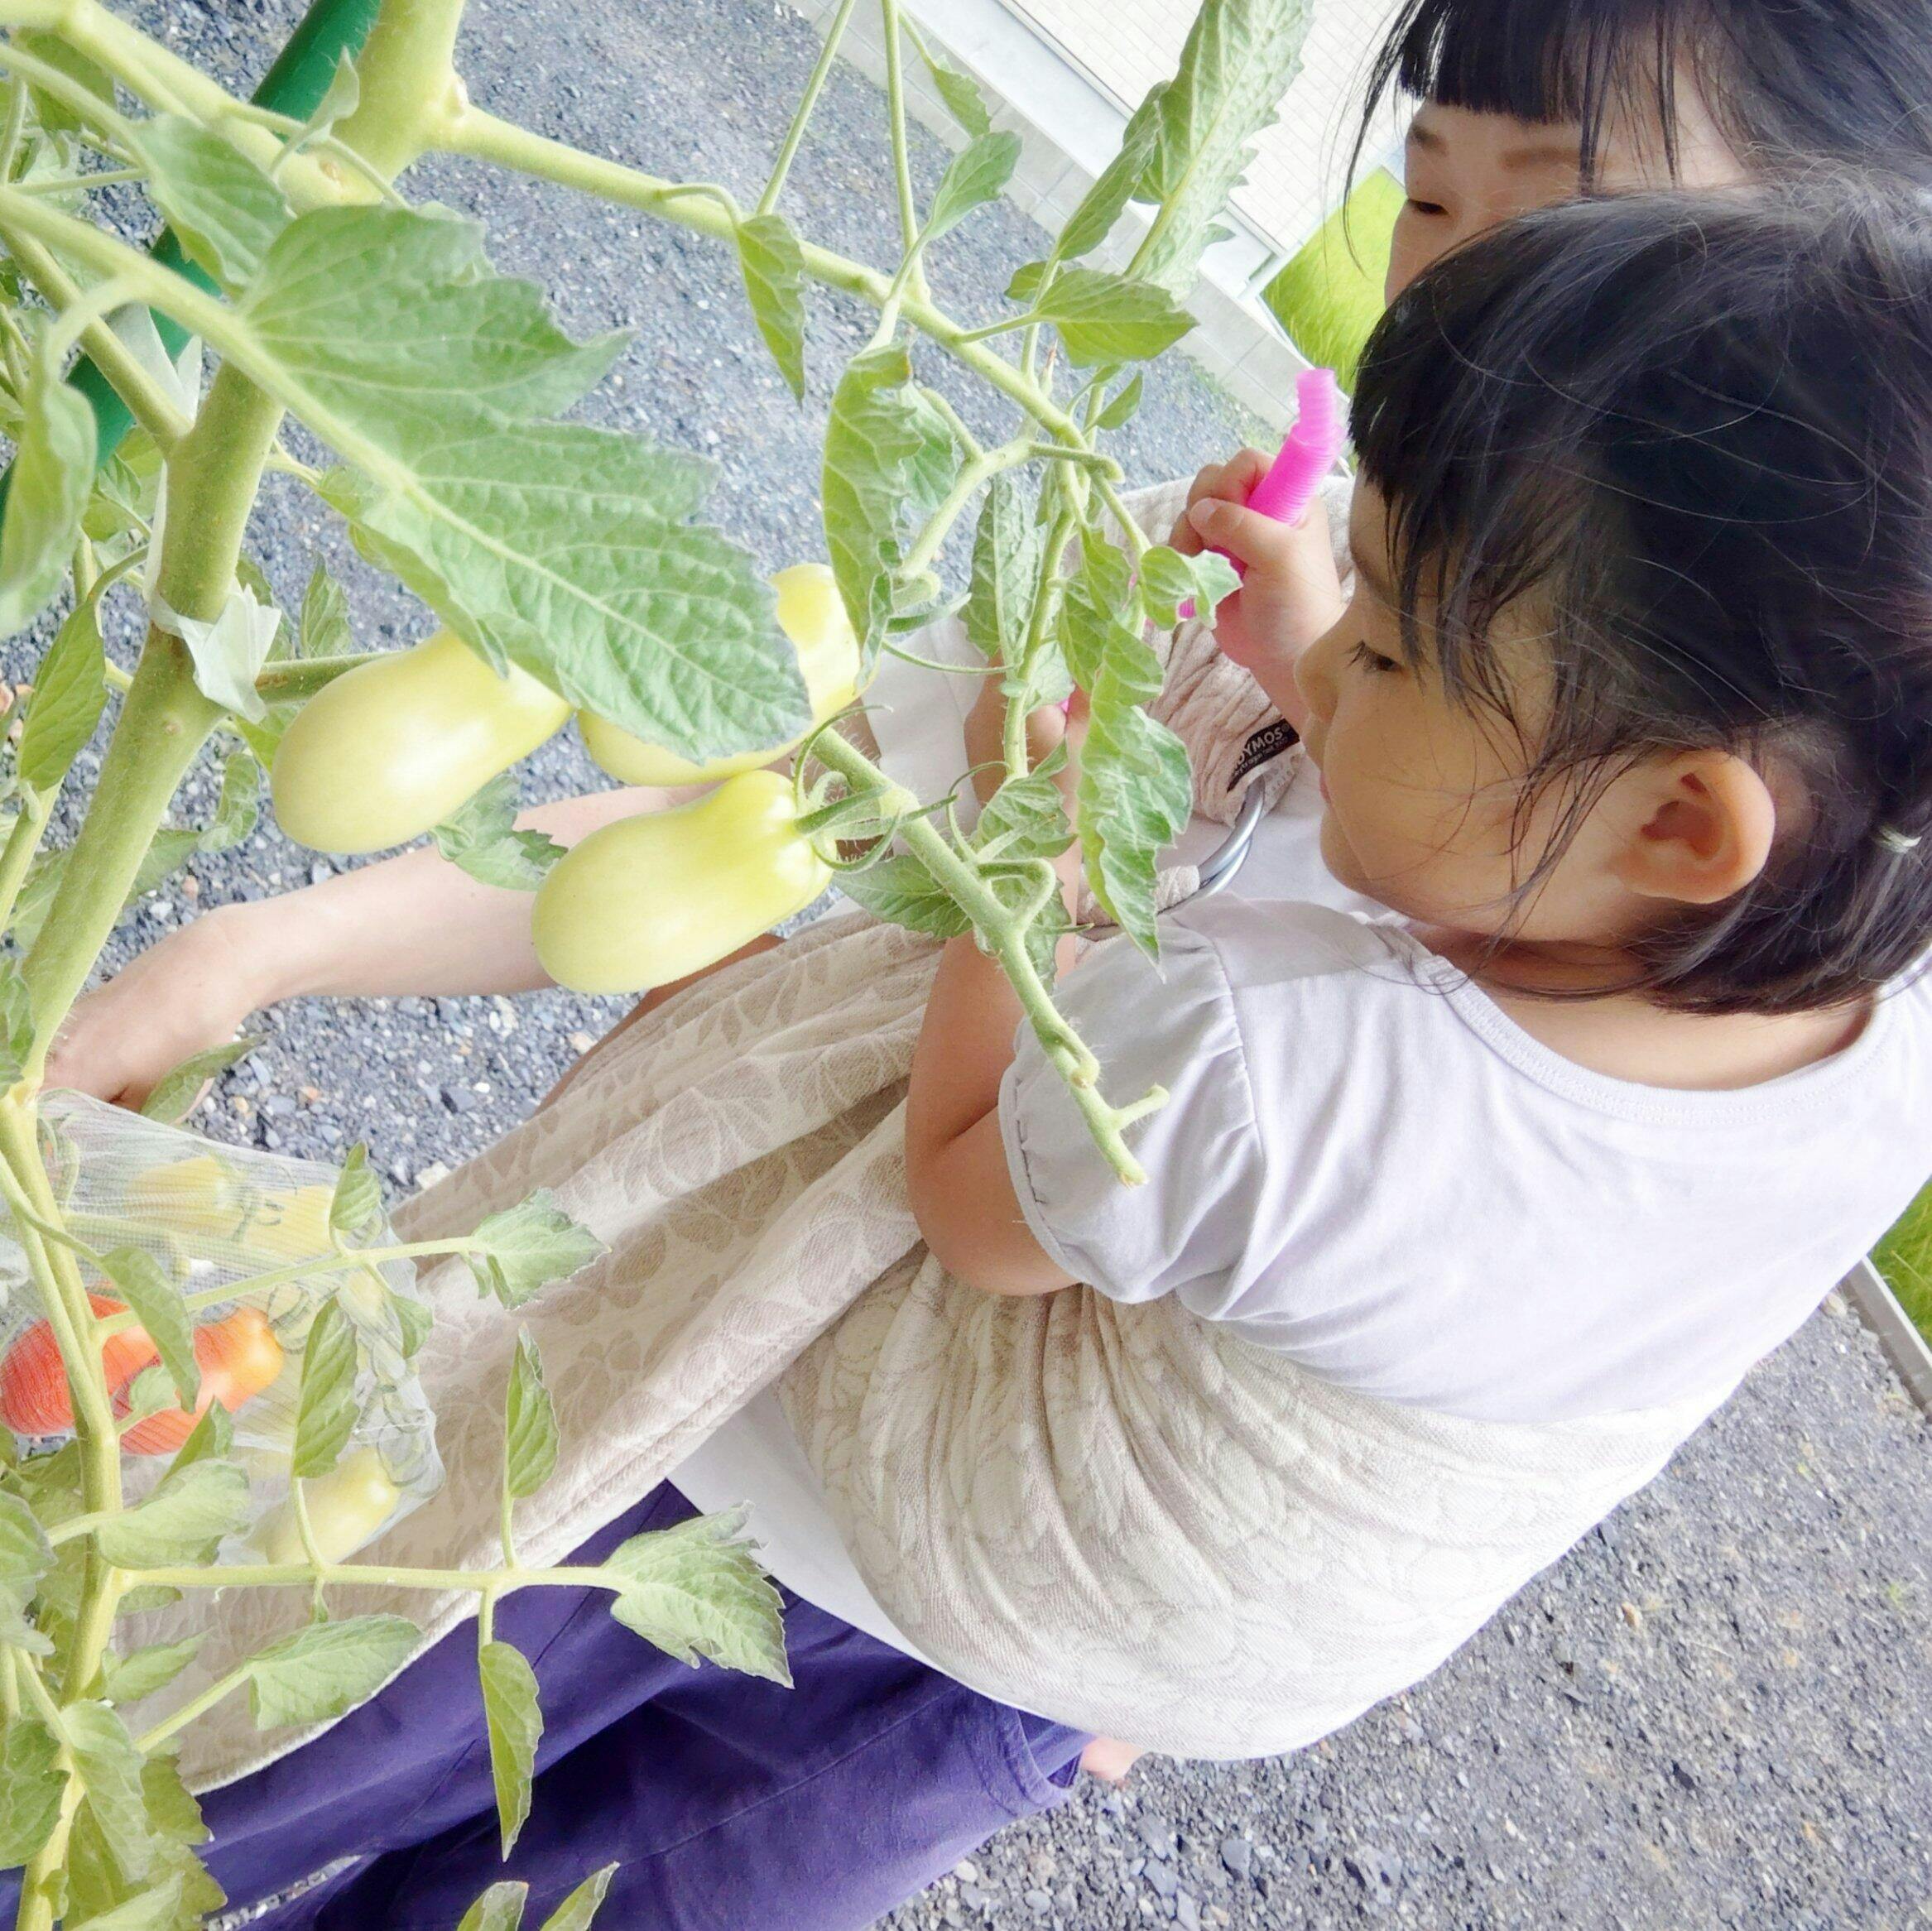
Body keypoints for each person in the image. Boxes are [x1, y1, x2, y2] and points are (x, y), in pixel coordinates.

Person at [65, 175, 1932, 1929]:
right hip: (955, 1648)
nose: (1330, 628)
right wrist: (1326, 668)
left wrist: (1023, 867)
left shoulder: (1253, 1073)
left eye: (1387, 636)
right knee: (232, 1795)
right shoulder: (1838, 1002)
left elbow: (973, 1186)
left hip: (947, 1626)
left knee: (182, 1776)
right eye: (1438, 192)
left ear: (1689, 821)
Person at [50, 0, 1932, 1112]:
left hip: (963, 1608)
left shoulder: (1750, 936)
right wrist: (247, 954)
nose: (1475, 303)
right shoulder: (1161, 590)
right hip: (712, 1353)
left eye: (1587, 225)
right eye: (1436, 196)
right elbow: (786, 807)